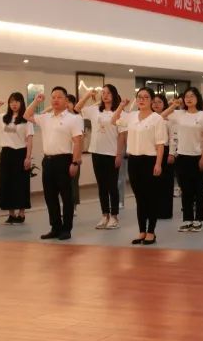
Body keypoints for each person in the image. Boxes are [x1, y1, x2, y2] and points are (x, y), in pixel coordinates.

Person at [25, 87, 84, 241]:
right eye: (53, 97)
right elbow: (27, 115)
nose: (56, 100)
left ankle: (66, 229)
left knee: (66, 197)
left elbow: (78, 142)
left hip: (65, 160)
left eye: (59, 97)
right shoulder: (46, 118)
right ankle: (55, 227)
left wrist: (75, 162)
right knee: (50, 197)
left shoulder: (74, 119)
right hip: (48, 161)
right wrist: (36, 101)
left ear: (66, 100)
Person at [114, 88, 167, 245]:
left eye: (146, 97)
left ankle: (151, 232)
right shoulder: (131, 116)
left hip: (150, 161)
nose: (142, 100)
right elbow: (113, 120)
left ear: (151, 100)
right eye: (139, 97)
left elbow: (160, 144)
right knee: (140, 198)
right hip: (134, 161)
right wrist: (121, 105)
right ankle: (142, 231)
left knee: (151, 198)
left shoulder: (157, 119)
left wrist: (158, 164)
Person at [161, 87, 203, 232]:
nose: (189, 99)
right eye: (186, 96)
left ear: (197, 98)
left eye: (192, 96)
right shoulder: (179, 114)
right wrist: (174, 105)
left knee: (198, 190)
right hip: (182, 157)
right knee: (186, 190)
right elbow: (162, 116)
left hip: (198, 156)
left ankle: (198, 219)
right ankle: (188, 219)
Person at [76, 84, 123, 230]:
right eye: (103, 93)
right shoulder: (95, 110)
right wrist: (87, 95)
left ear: (114, 95)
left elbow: (122, 136)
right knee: (102, 186)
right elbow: (77, 108)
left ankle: (114, 216)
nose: (105, 95)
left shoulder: (119, 112)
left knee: (112, 186)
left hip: (112, 153)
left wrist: (119, 154)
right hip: (96, 152)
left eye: (108, 93)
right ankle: (105, 215)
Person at [0, 93, 34, 225]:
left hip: (21, 153)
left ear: (21, 103)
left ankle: (21, 213)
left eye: (17, 101)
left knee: (22, 184)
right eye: (11, 101)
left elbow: (29, 139)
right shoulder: (3, 117)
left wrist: (28, 157)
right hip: (6, 153)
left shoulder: (26, 119)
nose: (14, 104)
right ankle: (11, 214)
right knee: (7, 183)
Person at [150, 93, 177, 220]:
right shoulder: (148, 118)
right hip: (151, 152)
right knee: (153, 183)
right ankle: (153, 211)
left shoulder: (170, 118)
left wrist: (172, 153)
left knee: (166, 183)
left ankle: (165, 212)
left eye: (159, 102)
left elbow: (173, 137)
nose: (156, 104)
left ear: (164, 104)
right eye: (154, 102)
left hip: (166, 151)